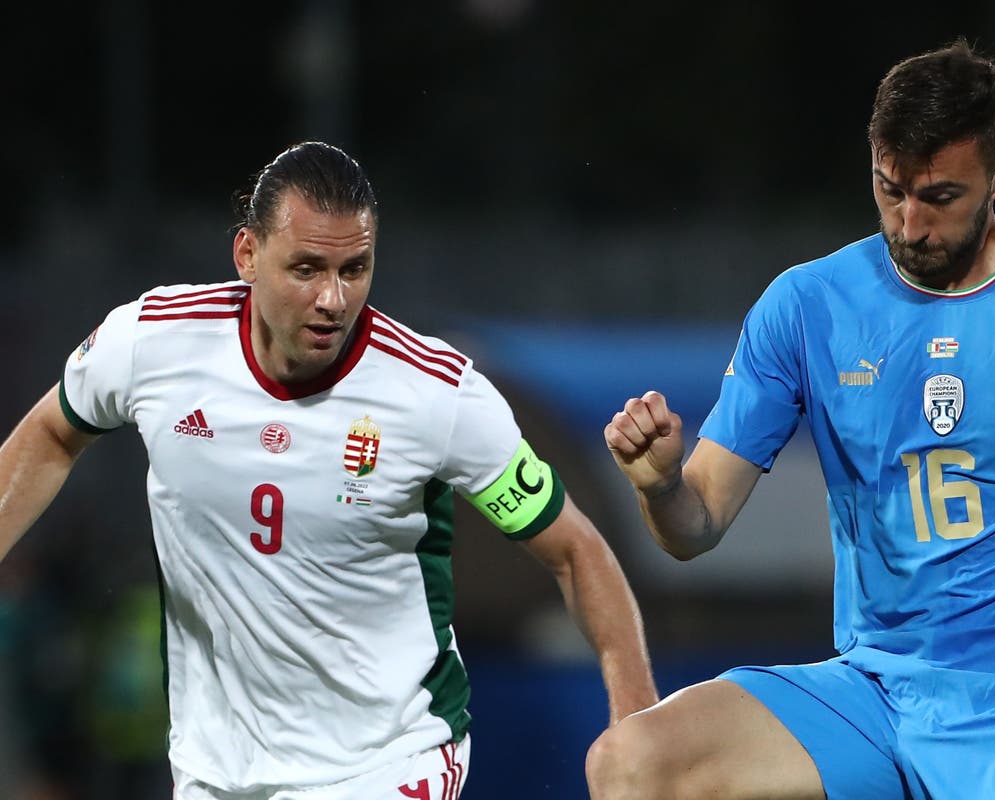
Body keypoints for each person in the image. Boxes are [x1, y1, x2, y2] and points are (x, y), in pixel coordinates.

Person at [588, 38, 995, 800]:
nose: (909, 225)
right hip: (871, 691)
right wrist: (658, 486)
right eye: (889, 190)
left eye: (938, 197)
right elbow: (696, 524)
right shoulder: (807, 306)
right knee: (635, 761)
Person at [0, 141, 658, 799]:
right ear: (247, 255)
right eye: (307, 268)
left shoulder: (435, 395)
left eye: (355, 269)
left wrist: (636, 718)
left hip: (390, 760)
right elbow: (53, 434)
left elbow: (574, 549)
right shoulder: (152, 343)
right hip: (215, 769)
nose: (332, 299)